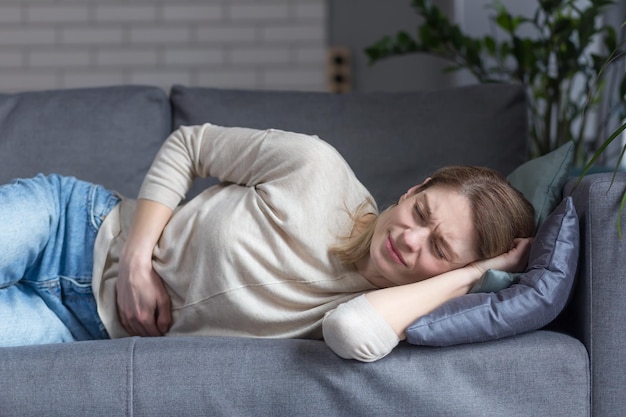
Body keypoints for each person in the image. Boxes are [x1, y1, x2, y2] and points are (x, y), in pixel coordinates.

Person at [0, 123, 535, 362]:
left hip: (81, 328)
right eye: (420, 212)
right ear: (412, 191)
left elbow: (353, 333)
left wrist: (467, 277)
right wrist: (139, 261)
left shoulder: (373, 310)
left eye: (439, 249)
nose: (409, 238)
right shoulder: (315, 166)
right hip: (73, 223)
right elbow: (189, 145)